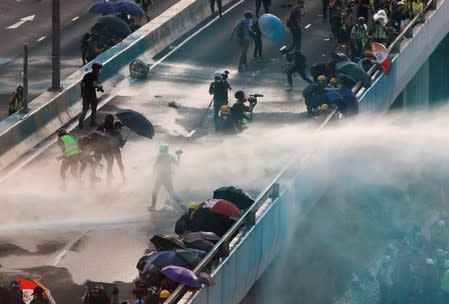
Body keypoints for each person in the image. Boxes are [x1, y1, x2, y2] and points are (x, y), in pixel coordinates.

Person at [150, 144, 184, 211]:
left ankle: (153, 207)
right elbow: (178, 164)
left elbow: (155, 166)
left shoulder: (159, 156)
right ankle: (181, 205)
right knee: (171, 193)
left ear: (161, 150)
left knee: (155, 191)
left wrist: (154, 172)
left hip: (161, 177)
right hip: (168, 177)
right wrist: (178, 155)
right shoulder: (170, 156)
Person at [79, 63, 104, 128]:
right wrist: (100, 86)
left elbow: (82, 83)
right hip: (92, 95)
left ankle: (81, 121)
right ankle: (92, 122)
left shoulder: (87, 75)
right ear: (97, 69)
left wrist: (82, 92)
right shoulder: (94, 76)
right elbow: (94, 84)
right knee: (94, 108)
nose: (99, 70)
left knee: (85, 109)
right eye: (99, 69)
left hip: (85, 94)